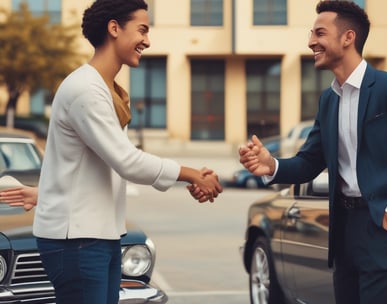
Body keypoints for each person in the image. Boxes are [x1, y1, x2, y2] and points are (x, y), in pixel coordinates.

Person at [4, 1, 223, 303]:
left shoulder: (107, 89)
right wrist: (191, 175)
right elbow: (127, 161)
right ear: (114, 28)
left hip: (98, 236)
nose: (147, 40)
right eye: (142, 30)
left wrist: (47, 193)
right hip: (77, 241)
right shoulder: (86, 90)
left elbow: (89, 164)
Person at [239, 1, 387, 304]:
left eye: (319, 33)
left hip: (385, 232)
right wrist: (270, 164)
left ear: (348, 37)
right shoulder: (329, 99)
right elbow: (309, 161)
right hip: (343, 232)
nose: (311, 41)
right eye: (311, 33)